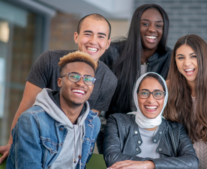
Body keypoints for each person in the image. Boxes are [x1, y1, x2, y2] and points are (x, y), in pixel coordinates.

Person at [0, 13, 118, 164]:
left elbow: (86, 124)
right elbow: (27, 104)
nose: (93, 41)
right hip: (38, 142)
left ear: (108, 43)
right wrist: (13, 143)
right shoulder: (49, 60)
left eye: (101, 36)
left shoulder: (109, 80)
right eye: (88, 34)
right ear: (76, 37)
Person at [6, 51, 101, 169]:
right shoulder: (31, 120)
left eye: (88, 79)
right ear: (60, 82)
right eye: (74, 76)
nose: (81, 83)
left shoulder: (92, 123)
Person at [103, 72, 199, 169]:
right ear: (136, 96)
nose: (151, 100)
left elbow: (192, 162)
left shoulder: (176, 129)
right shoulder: (117, 121)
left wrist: (148, 165)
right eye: (144, 93)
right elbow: (112, 158)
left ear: (165, 98)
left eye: (158, 93)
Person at [100, 4, 172, 117]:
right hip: (117, 126)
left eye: (158, 25)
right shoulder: (112, 53)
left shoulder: (171, 59)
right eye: (145, 24)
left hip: (154, 128)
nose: (152, 29)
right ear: (135, 26)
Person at [164, 34, 207, 169]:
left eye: (193, 56)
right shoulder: (168, 88)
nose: (187, 63)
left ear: (204, 58)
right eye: (180, 57)